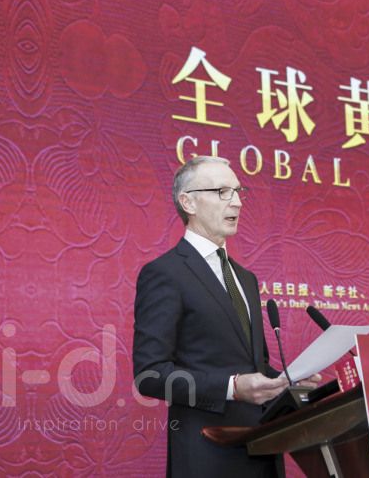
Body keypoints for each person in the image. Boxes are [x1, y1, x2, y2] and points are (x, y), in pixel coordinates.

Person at [133, 156, 318, 477]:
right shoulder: (165, 273)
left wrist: (287, 380)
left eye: (238, 191)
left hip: (263, 450)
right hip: (206, 454)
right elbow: (150, 375)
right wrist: (231, 387)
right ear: (188, 202)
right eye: (222, 192)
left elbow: (254, 366)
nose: (237, 202)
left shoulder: (246, 278)